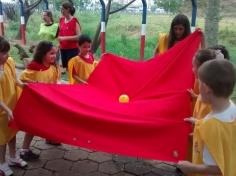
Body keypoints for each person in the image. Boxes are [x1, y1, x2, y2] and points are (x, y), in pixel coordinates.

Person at [178, 59, 236, 176]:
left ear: (206, 88)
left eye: (198, 82)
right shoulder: (232, 108)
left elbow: (216, 169)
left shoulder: (210, 126)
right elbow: (223, 129)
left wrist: (190, 167)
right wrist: (198, 122)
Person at [19, 41, 60, 161]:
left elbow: (55, 82)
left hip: (49, 100)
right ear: (42, 54)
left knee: (51, 119)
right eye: (51, 53)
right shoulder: (34, 67)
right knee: (32, 126)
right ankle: (24, 150)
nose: (54, 56)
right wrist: (36, 84)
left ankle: (50, 138)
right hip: (37, 102)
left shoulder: (53, 67)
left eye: (55, 54)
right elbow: (22, 79)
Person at [0, 37, 27, 176]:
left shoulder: (9, 62)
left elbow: (15, 79)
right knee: (2, 138)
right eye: (4, 53)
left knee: (12, 133)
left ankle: (12, 158)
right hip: (2, 111)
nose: (8, 55)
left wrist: (23, 85)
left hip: (11, 105)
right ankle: (1, 163)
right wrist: (7, 110)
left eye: (7, 52)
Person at [58, 2, 81, 73]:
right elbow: (60, 33)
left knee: (72, 69)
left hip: (72, 49)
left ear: (68, 9)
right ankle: (70, 83)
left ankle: (74, 83)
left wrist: (64, 38)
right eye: (61, 9)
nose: (61, 11)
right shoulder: (61, 20)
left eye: (62, 9)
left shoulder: (74, 21)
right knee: (67, 69)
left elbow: (79, 36)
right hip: (63, 48)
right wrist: (59, 44)